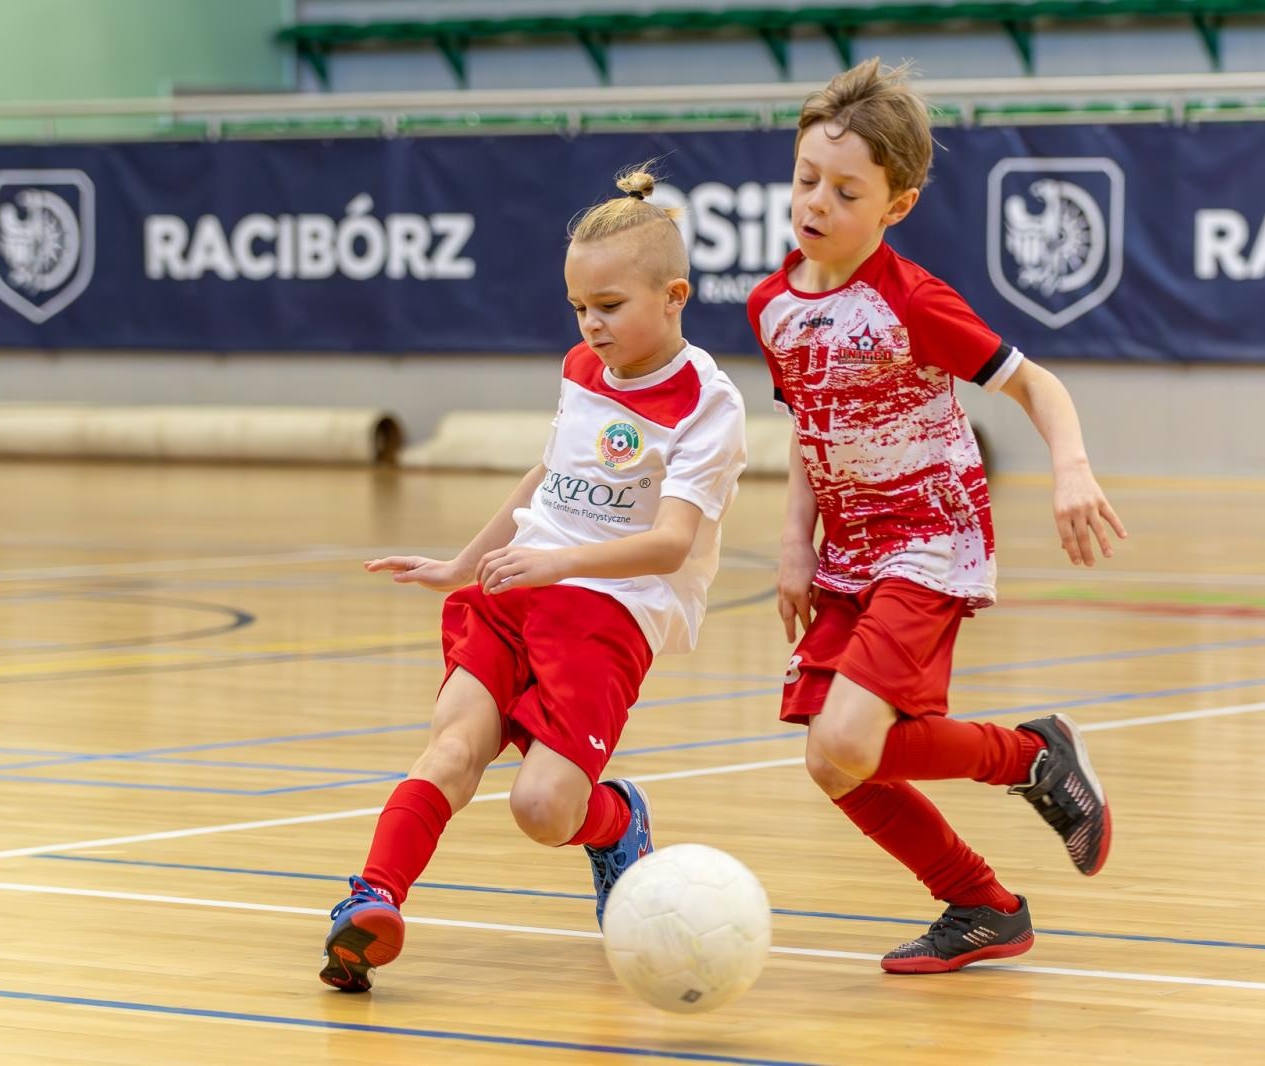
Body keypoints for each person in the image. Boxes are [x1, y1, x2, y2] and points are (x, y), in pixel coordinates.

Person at [320, 166, 747, 993]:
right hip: (517, 588)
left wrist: (556, 564)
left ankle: (617, 820)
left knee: (542, 808)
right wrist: (463, 566)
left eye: (611, 307)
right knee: (452, 748)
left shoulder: (708, 401)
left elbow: (668, 545)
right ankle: (371, 901)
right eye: (579, 308)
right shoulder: (582, 368)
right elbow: (549, 478)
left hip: (611, 609)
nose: (592, 325)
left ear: (675, 295)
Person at [746, 59, 1128, 974]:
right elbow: (812, 428)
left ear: (896, 206)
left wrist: (1069, 468)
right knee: (834, 763)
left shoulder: (910, 300)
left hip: (929, 536)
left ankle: (1032, 759)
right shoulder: (771, 305)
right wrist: (795, 539)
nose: (816, 203)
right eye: (806, 180)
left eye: (845, 190)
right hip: (847, 551)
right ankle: (982, 906)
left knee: (848, 738)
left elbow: (1039, 385)